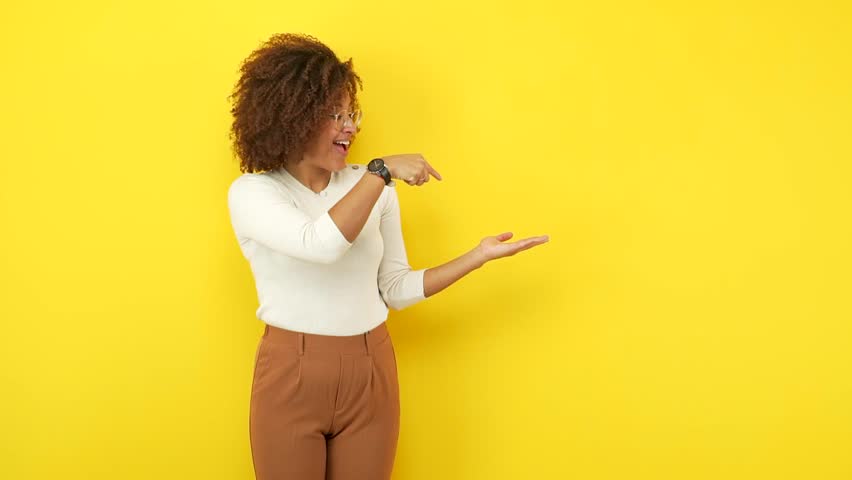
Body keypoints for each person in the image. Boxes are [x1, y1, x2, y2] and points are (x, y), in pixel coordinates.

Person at [226, 33, 549, 480]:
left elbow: (394, 289)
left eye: (351, 113)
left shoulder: (373, 188)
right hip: (291, 372)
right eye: (334, 114)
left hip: (371, 367)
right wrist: (381, 170)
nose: (350, 126)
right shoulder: (255, 193)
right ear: (292, 117)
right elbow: (319, 244)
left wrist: (477, 256)